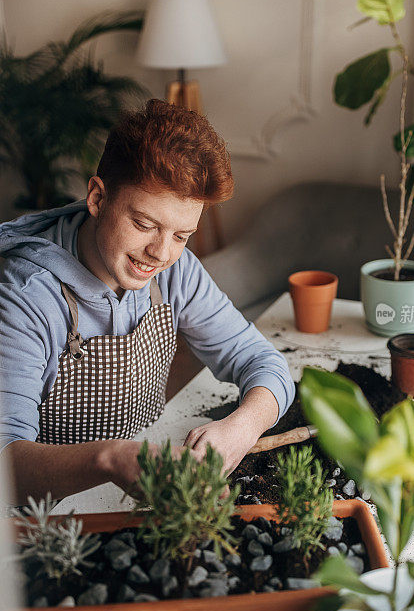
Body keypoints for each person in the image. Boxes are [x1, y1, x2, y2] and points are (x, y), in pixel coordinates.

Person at [0, 99, 295, 505]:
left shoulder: (174, 269)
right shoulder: (26, 296)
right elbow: (5, 464)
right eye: (144, 224)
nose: (160, 253)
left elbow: (262, 361)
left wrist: (243, 428)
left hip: (141, 489)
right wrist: (111, 458)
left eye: (181, 236)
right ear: (98, 198)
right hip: (46, 513)